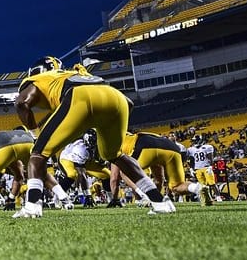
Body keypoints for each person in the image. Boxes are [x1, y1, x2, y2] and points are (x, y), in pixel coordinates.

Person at [14, 56, 173, 217]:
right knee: (115, 155)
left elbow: (21, 103)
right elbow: (129, 103)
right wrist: (105, 127)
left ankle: (32, 206)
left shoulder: (40, 78)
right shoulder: (78, 74)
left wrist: (35, 134)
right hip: (116, 98)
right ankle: (159, 202)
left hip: (80, 97)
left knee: (38, 153)